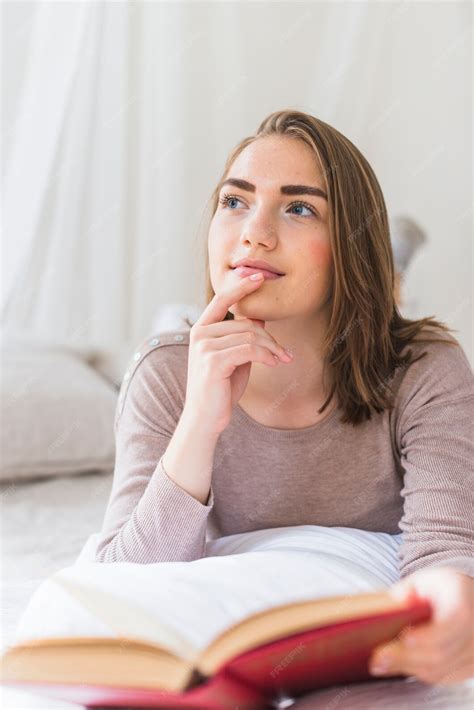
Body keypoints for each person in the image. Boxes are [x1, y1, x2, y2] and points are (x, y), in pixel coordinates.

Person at [95, 109, 473, 686]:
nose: (253, 233)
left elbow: (445, 549)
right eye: (234, 201)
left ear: (349, 242)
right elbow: (126, 583)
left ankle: (393, 259)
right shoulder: (164, 372)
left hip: (368, 315)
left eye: (299, 208)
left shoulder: (426, 368)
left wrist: (450, 614)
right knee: (176, 330)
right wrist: (200, 422)